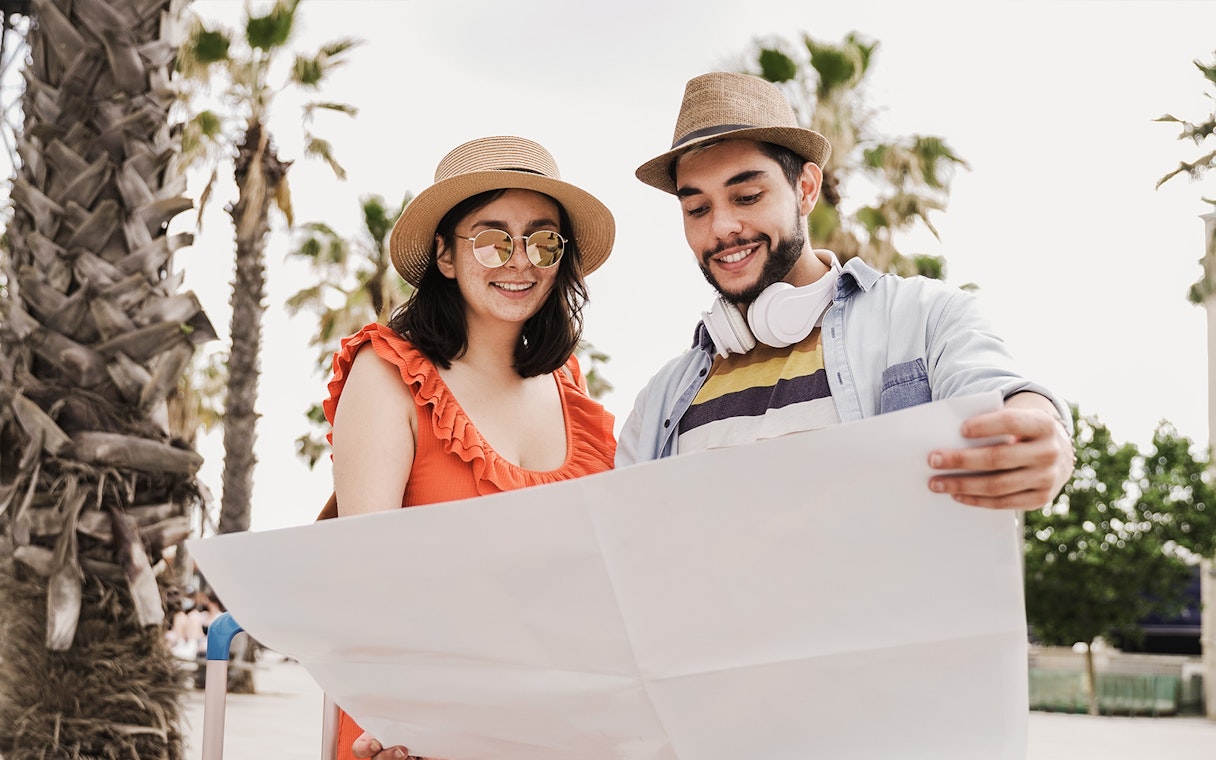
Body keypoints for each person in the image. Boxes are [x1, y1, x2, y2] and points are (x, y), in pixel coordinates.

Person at [618, 71, 1074, 509]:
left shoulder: (928, 315)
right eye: (697, 208)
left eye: (747, 197)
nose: (721, 228)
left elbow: (1005, 396)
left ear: (806, 190)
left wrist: (1040, 429)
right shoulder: (657, 402)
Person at [323, 135, 617, 760]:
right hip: (416, 727)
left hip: (545, 725)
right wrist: (420, 717)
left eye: (542, 240)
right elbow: (369, 588)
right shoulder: (387, 374)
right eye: (491, 238)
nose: (520, 261)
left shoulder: (570, 386)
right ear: (446, 257)